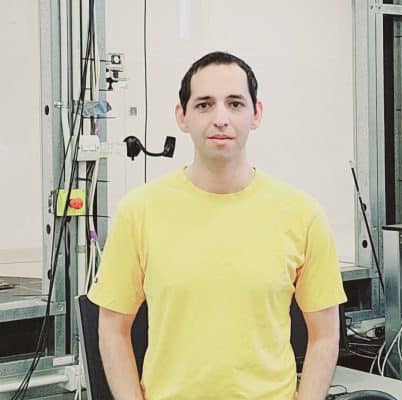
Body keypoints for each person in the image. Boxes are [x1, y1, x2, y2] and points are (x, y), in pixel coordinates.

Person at [87, 51, 347, 400]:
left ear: (256, 114)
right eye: (204, 104)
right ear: (182, 116)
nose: (220, 118)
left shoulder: (302, 214)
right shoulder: (139, 211)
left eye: (235, 104)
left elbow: (326, 334)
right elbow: (113, 328)